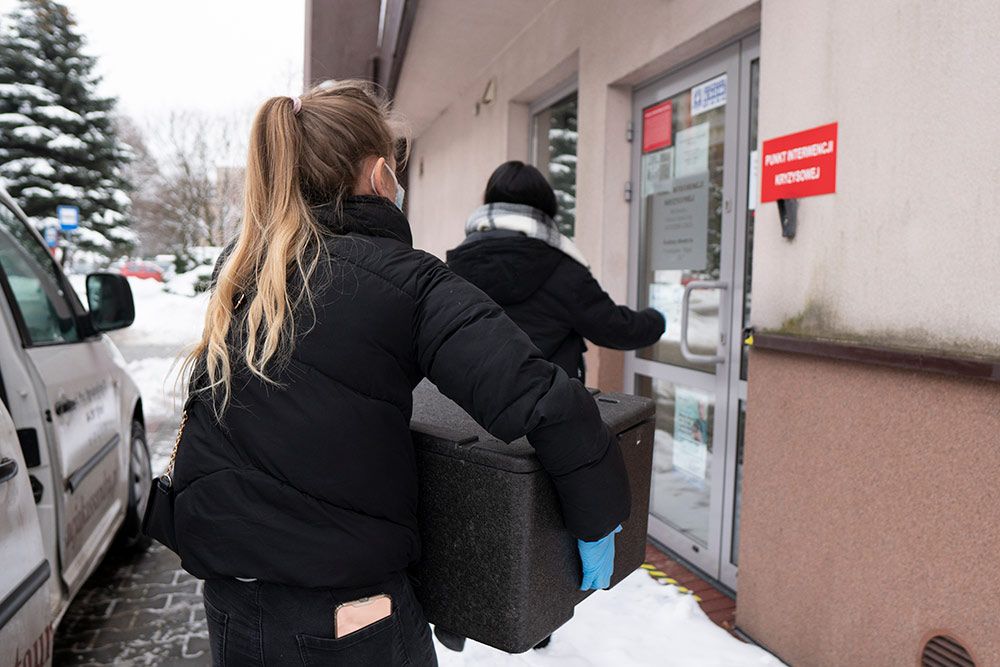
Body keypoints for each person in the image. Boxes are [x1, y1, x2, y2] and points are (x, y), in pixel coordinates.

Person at [170, 81, 630, 666]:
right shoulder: (409, 281)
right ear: (381, 175)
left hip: (233, 600)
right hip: (349, 614)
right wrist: (599, 519)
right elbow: (546, 400)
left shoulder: (244, 271)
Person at [447, 161, 666, 384]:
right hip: (546, 404)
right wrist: (658, 318)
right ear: (546, 207)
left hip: (468, 402)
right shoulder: (562, 268)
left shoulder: (456, 266)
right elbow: (616, 328)